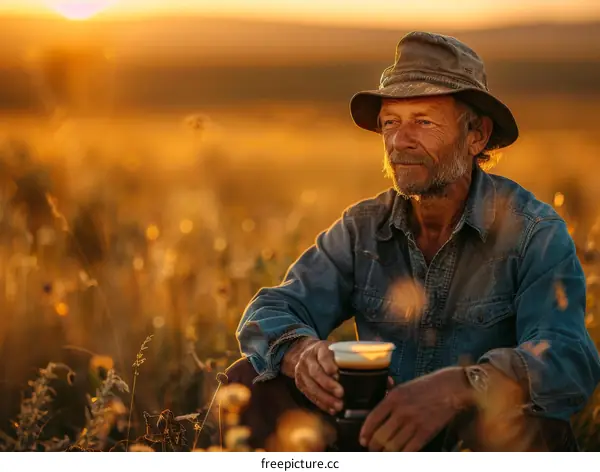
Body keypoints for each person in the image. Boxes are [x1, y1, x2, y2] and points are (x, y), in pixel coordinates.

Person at [223, 31, 600, 451]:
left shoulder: (533, 232)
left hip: (476, 444)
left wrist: (461, 386)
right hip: (376, 438)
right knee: (249, 380)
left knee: (537, 430)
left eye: (423, 121)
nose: (400, 141)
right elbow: (269, 311)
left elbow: (569, 359)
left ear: (476, 135)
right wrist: (299, 353)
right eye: (390, 123)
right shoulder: (361, 229)